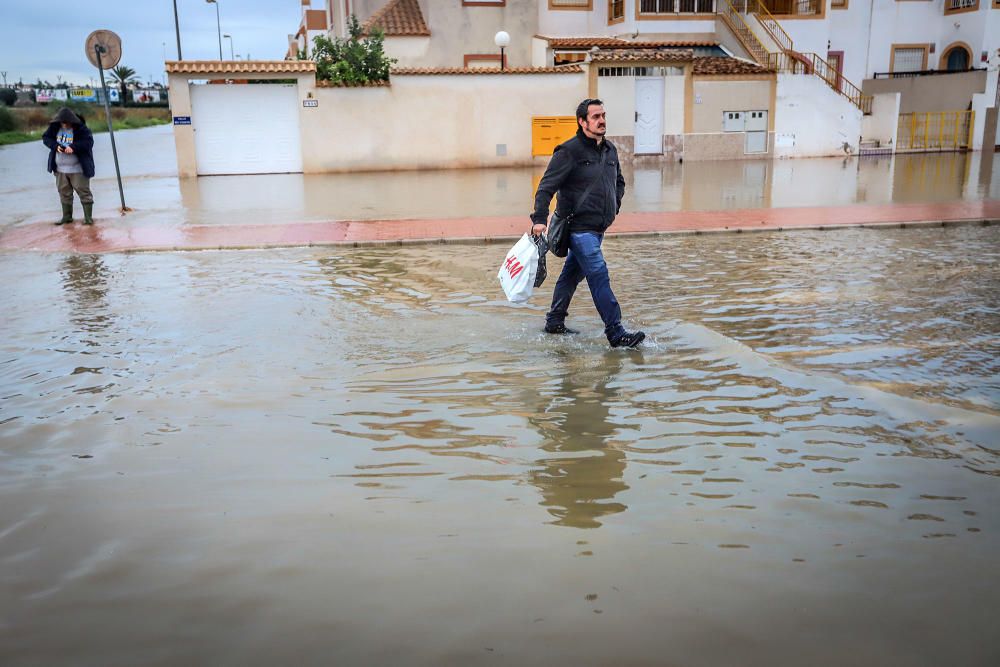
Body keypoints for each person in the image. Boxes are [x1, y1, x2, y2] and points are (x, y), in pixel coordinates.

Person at [530, 98, 645, 348]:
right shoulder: (568, 151)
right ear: (582, 122)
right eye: (595, 117)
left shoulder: (610, 150)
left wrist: (614, 205)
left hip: (598, 228)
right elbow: (546, 187)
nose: (602, 120)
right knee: (598, 273)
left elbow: (619, 182)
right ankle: (616, 332)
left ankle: (554, 321)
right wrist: (539, 219)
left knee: (571, 275)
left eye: (603, 115)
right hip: (578, 229)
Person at [42, 107, 95, 226]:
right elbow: (46, 138)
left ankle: (88, 219)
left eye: (66, 123)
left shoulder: (82, 129)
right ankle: (67, 217)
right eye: (62, 123)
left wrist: (74, 147)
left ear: (72, 121)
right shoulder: (54, 128)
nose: (64, 125)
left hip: (78, 169)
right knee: (64, 193)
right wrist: (56, 146)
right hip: (60, 169)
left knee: (84, 192)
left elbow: (88, 142)